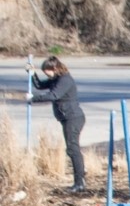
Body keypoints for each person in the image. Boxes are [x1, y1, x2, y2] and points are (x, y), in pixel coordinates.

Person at [27, 57, 86, 192]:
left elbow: (53, 95)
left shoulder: (65, 80)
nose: (46, 74)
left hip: (73, 117)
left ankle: (79, 182)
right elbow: (40, 85)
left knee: (72, 149)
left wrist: (33, 99)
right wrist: (32, 74)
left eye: (46, 71)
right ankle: (81, 175)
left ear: (54, 68)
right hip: (67, 118)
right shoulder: (57, 79)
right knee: (72, 149)